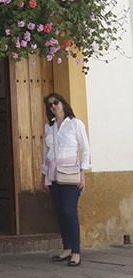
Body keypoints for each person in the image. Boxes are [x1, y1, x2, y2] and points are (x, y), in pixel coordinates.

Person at [41, 92, 91, 267]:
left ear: (63, 103)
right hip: (53, 174)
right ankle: (67, 248)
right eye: (50, 105)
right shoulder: (49, 127)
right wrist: (44, 174)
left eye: (56, 102)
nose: (53, 106)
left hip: (71, 174)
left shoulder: (75, 124)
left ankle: (76, 252)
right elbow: (45, 153)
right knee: (60, 213)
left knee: (69, 211)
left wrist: (82, 174)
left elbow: (85, 149)